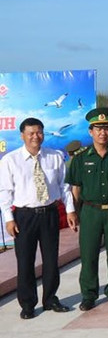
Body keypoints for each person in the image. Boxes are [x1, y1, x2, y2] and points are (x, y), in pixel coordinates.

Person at [0, 117, 77, 319]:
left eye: (39, 132)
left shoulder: (55, 157)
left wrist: (70, 210)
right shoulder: (10, 160)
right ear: (22, 135)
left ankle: (50, 298)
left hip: (50, 213)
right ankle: (27, 303)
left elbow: (64, 186)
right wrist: (9, 218)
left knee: (52, 259)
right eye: (31, 133)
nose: (36, 136)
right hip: (24, 216)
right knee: (25, 261)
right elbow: (5, 192)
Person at [66, 108, 108, 311]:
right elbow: (75, 188)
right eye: (98, 129)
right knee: (89, 254)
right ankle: (89, 294)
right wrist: (74, 212)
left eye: (106, 128)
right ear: (90, 132)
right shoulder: (80, 157)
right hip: (90, 212)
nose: (103, 133)